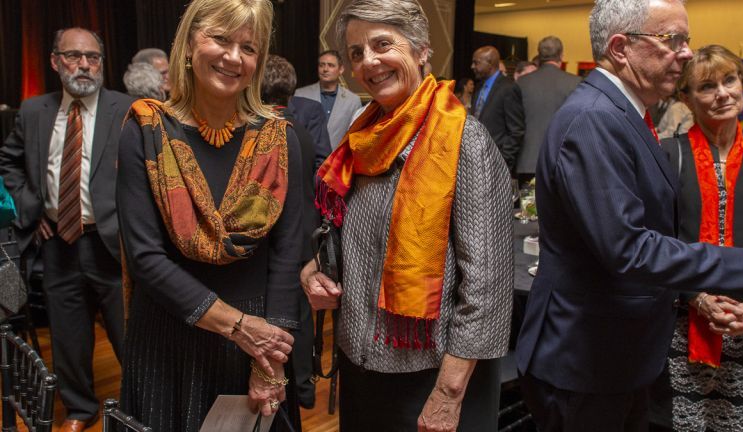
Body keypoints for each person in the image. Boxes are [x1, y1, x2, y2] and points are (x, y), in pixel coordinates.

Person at [515, 1, 743, 430]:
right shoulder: (595, 119)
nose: (686, 53)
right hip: (587, 358)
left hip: (614, 355)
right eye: (673, 40)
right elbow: (627, 248)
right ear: (621, 48)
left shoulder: (625, 113)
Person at [300, 1, 515, 431]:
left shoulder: (464, 141)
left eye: (382, 44)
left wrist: (448, 395)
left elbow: (487, 290)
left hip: (431, 379)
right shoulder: (363, 136)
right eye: (356, 52)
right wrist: (313, 271)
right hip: (361, 366)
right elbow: (347, 237)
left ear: (420, 50)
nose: (369, 62)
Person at [116, 0, 302, 430]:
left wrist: (267, 359)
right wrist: (240, 328)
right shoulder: (145, 131)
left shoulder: (279, 140)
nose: (233, 57)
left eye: (248, 47)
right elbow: (146, 259)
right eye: (220, 39)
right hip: (168, 337)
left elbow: (288, 255)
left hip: (255, 348)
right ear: (187, 45)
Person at [0, 27, 132, 432]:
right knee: (68, 336)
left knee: (129, 335)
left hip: (114, 245)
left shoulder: (128, 109)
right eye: (74, 56)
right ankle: (80, 408)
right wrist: (31, 208)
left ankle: (139, 404)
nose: (84, 65)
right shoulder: (34, 111)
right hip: (58, 242)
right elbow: (10, 164)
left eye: (93, 57)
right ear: (56, 61)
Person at [649, 45, 743, 432]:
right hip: (682, 326)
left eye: (729, 80)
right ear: (686, 98)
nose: (723, 93)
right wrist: (698, 298)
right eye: (706, 86)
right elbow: (654, 244)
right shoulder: (666, 156)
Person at [261, 53, 322, 411]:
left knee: (284, 316)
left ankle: (290, 387)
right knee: (300, 317)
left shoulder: (267, 131)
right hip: (305, 234)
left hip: (283, 237)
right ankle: (304, 388)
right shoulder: (298, 127)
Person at [510, 36, 581, 183]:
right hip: (563, 162)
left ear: (539, 55)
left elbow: (514, 126)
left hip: (527, 162)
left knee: (527, 206)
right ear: (561, 55)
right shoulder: (575, 83)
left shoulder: (522, 82)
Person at [295, 49, 362, 149]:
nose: (325, 69)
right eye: (322, 65)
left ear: (341, 69)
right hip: (308, 159)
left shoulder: (352, 101)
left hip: (338, 160)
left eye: (331, 65)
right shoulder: (300, 94)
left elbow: (356, 136)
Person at [471, 45, 520, 178]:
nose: (472, 66)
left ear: (490, 63)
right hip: (476, 163)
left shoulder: (508, 88)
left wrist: (503, 162)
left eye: (476, 62)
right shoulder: (479, 86)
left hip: (497, 164)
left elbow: (516, 131)